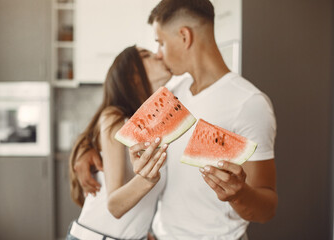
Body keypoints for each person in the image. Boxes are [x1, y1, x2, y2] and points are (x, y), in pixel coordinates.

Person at [74, 0, 278, 239]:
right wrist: (84, 148)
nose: (159, 54)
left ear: (184, 36)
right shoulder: (171, 94)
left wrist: (238, 193)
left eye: (160, 43)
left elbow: (267, 208)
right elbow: (119, 113)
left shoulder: (249, 103)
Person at [66, 45, 172, 240]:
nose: (158, 54)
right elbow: (114, 205)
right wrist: (147, 179)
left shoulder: (155, 121)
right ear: (134, 76)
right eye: (147, 55)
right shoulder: (114, 117)